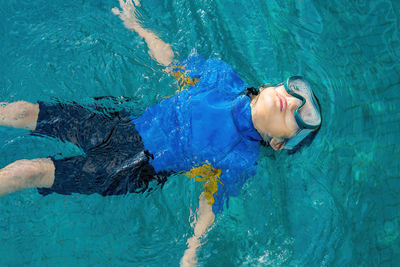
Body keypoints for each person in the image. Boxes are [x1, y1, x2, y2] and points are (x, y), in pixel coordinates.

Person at [0, 1, 322, 266]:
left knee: (33, 170)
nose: (292, 101)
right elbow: (174, 66)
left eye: (300, 114)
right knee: (28, 113)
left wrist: (191, 253)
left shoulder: (242, 158)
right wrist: (138, 25)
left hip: (133, 168)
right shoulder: (222, 76)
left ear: (278, 143)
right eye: (295, 91)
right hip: (122, 124)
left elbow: (211, 200)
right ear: (271, 85)